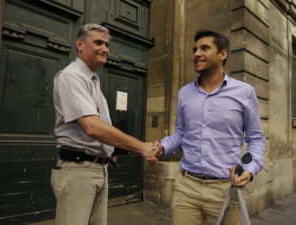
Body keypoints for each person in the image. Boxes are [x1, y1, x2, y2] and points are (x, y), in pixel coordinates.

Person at [155, 30, 266, 225]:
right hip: (186, 188)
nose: (196, 53)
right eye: (195, 49)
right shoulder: (184, 93)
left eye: (204, 48)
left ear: (222, 54)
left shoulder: (245, 92)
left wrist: (249, 169)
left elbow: (256, 138)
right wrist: (162, 147)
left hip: (225, 189)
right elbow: (181, 133)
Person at [51, 24, 157, 225]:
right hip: (78, 171)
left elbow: (99, 126)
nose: (105, 49)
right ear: (80, 44)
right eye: (98, 42)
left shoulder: (93, 80)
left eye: (107, 44)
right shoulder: (72, 76)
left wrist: (110, 150)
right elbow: (92, 126)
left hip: (98, 168)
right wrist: (142, 147)